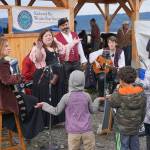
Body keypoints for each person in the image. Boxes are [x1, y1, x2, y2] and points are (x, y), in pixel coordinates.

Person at [35, 70, 101, 150]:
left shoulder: (66, 97)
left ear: (71, 81)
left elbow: (56, 111)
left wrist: (44, 105)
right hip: (87, 131)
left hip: (73, 133)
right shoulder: (87, 96)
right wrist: (97, 100)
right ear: (83, 81)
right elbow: (93, 110)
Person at [0, 37, 44, 139]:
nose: (9, 48)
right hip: (5, 100)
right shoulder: (2, 63)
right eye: (6, 46)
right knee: (34, 101)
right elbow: (6, 80)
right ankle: (27, 131)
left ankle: (25, 130)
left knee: (30, 100)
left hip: (3, 97)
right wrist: (19, 77)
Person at [29, 29, 66, 127]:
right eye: (46, 36)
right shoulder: (39, 48)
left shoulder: (55, 47)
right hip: (44, 76)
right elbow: (38, 59)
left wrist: (56, 41)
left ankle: (56, 121)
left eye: (50, 35)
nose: (49, 37)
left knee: (56, 96)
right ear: (41, 38)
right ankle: (45, 122)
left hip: (56, 75)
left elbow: (63, 50)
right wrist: (38, 48)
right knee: (46, 97)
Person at [110, 66, 146, 150]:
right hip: (135, 126)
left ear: (121, 80)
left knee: (122, 146)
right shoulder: (141, 91)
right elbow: (143, 111)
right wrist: (139, 122)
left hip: (122, 128)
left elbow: (112, 103)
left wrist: (116, 89)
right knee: (135, 146)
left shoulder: (119, 92)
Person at [55, 17, 87, 92]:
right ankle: (69, 96)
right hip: (65, 63)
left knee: (79, 78)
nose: (65, 27)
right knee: (67, 81)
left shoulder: (74, 34)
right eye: (63, 25)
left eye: (66, 24)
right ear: (59, 27)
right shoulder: (56, 38)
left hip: (76, 61)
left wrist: (83, 59)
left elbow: (80, 47)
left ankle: (80, 94)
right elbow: (57, 52)